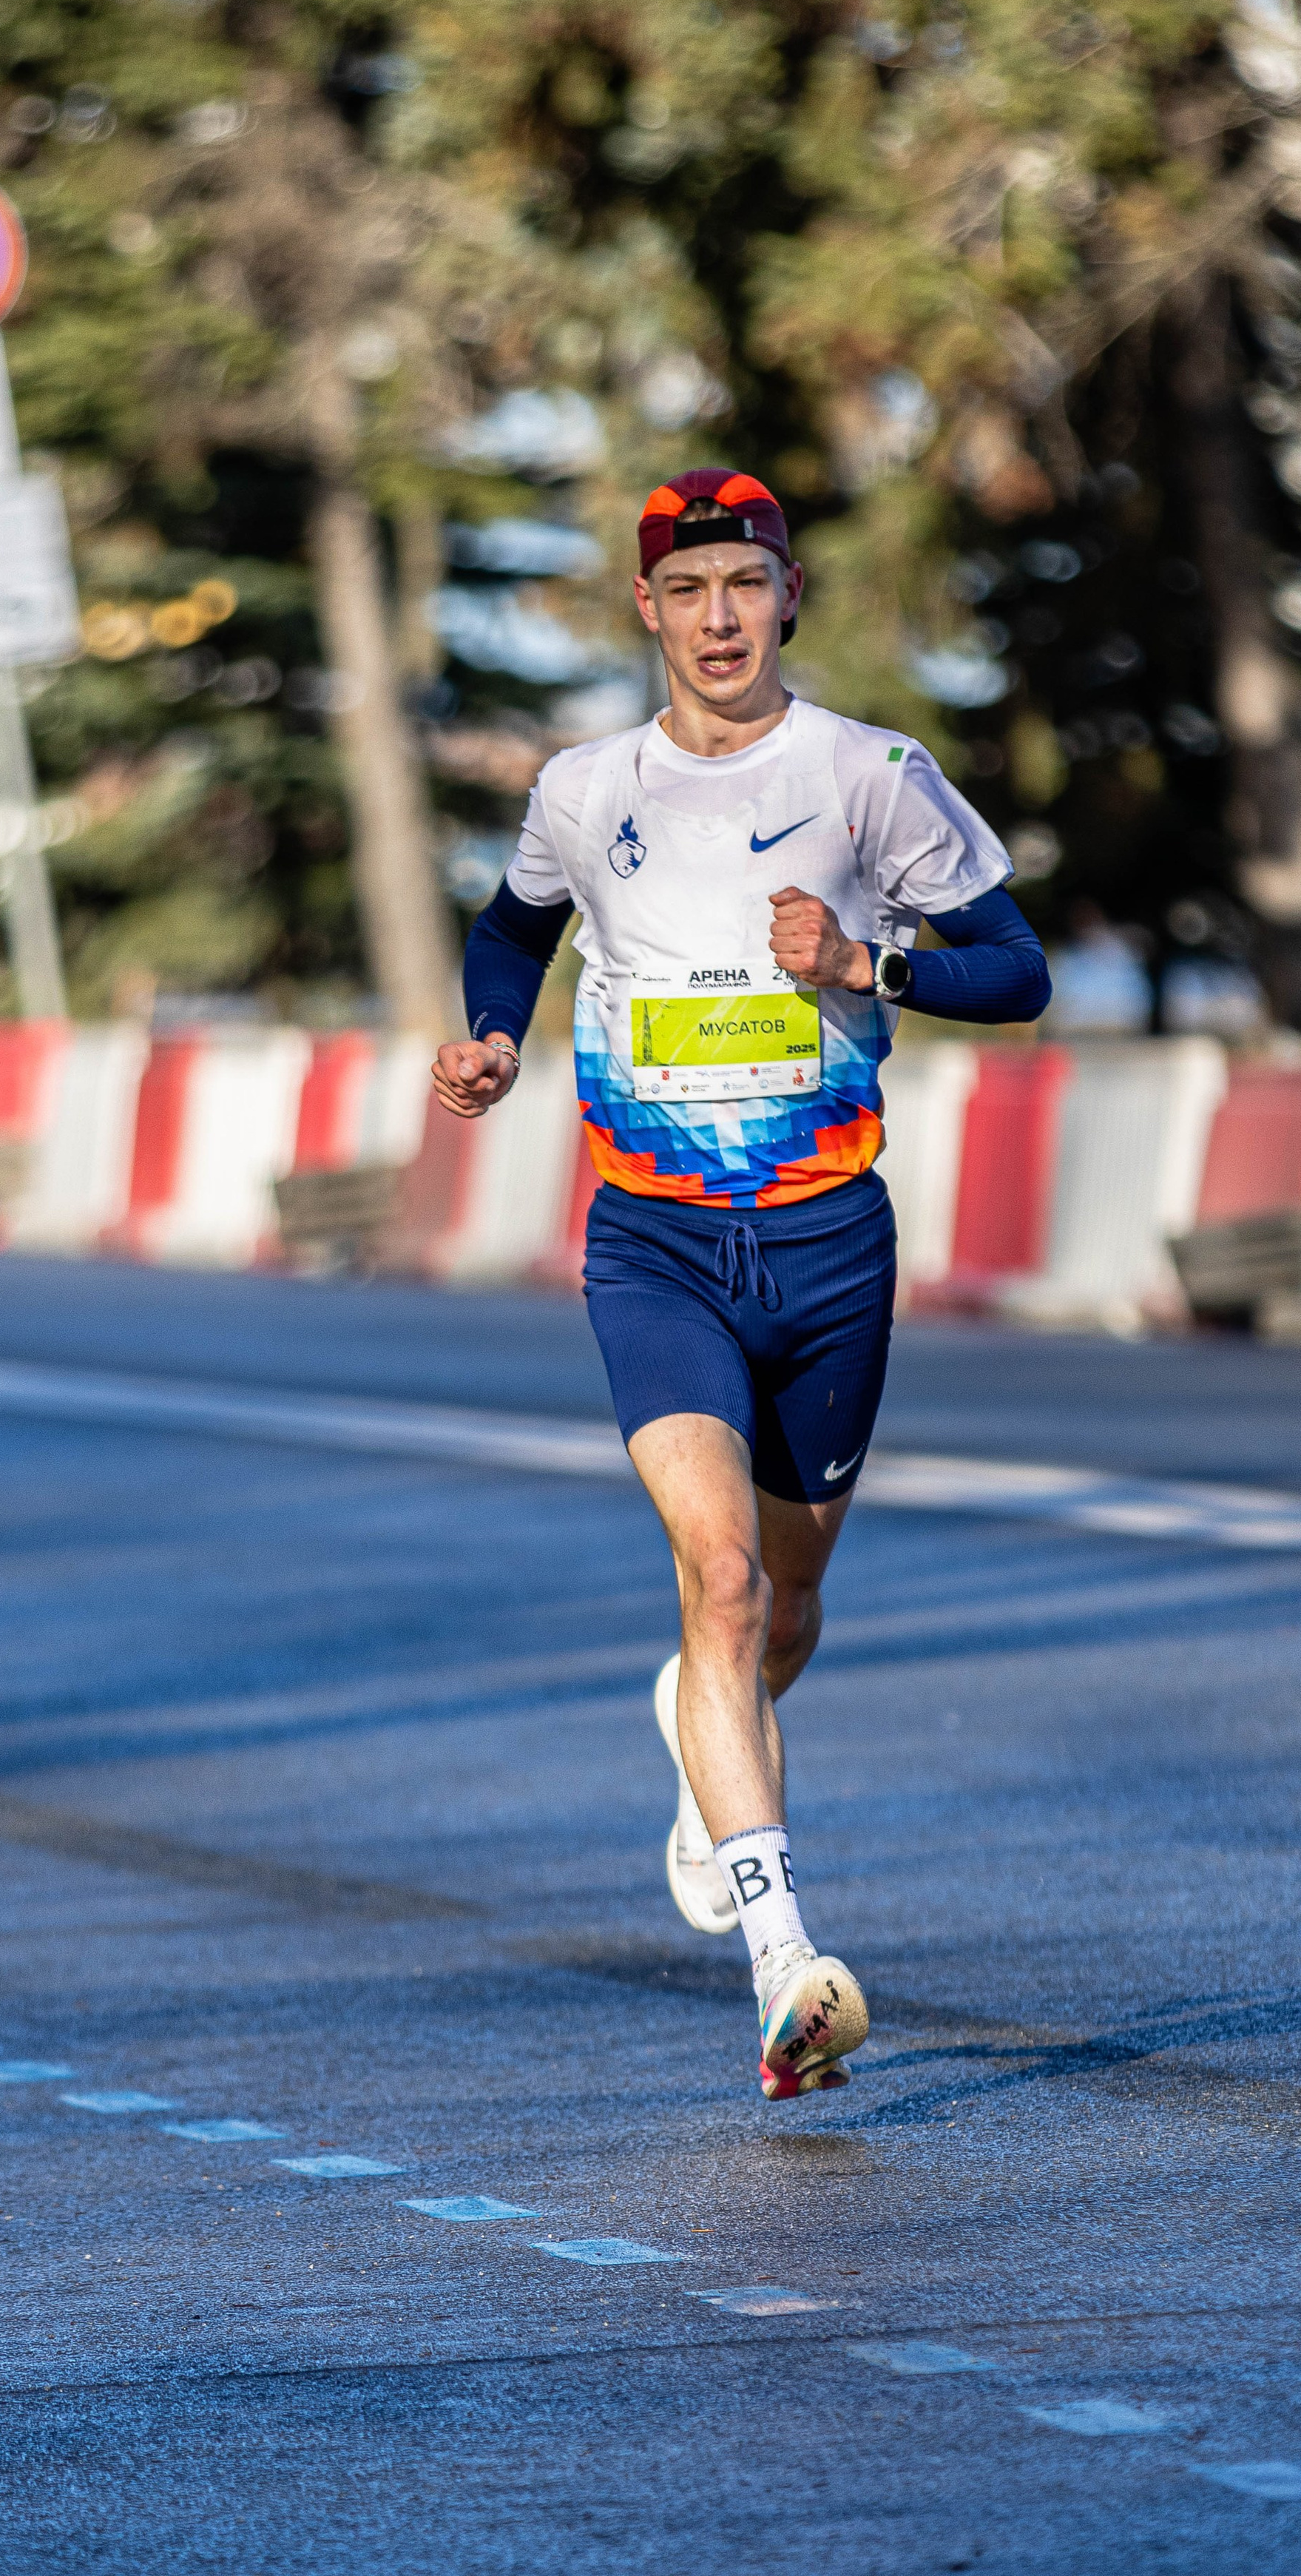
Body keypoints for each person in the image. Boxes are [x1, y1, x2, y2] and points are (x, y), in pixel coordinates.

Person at [431, 468, 1050, 2100]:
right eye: (686, 588)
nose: (717, 617)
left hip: (830, 1243)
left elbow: (1018, 967)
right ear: (645, 608)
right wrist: (494, 1034)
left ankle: (706, 1739)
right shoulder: (584, 787)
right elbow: (512, 929)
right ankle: (787, 1963)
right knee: (718, 1582)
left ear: (787, 599)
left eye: (744, 587)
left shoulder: (869, 776)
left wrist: (863, 963)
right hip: (653, 1243)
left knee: (781, 1608)